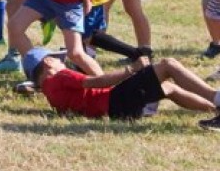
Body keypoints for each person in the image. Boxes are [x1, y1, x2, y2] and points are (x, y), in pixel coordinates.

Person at [23, 47, 220, 129]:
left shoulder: (49, 93)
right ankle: (215, 97)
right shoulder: (60, 76)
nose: (63, 63)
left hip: (116, 110)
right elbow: (95, 81)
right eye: (60, 60)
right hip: (115, 101)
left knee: (166, 87)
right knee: (167, 65)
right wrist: (130, 69)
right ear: (49, 62)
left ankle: (214, 109)